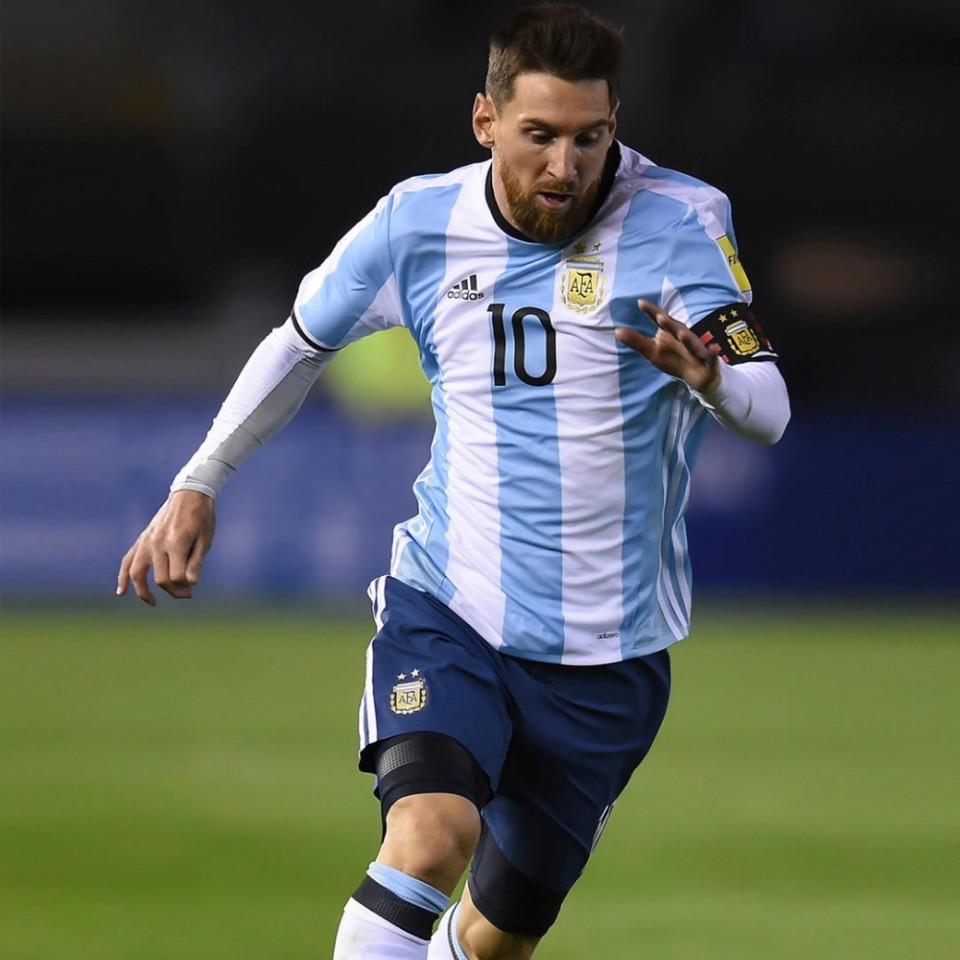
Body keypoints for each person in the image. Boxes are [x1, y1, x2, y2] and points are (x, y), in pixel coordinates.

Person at [117, 4, 790, 958]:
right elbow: (300, 342)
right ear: (486, 120)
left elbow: (770, 405)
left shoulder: (682, 222)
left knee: (493, 941)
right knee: (431, 837)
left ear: (615, 125)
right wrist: (200, 480)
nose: (566, 166)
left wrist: (713, 380)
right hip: (454, 610)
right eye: (540, 135)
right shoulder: (417, 223)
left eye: (590, 138)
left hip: (611, 653)